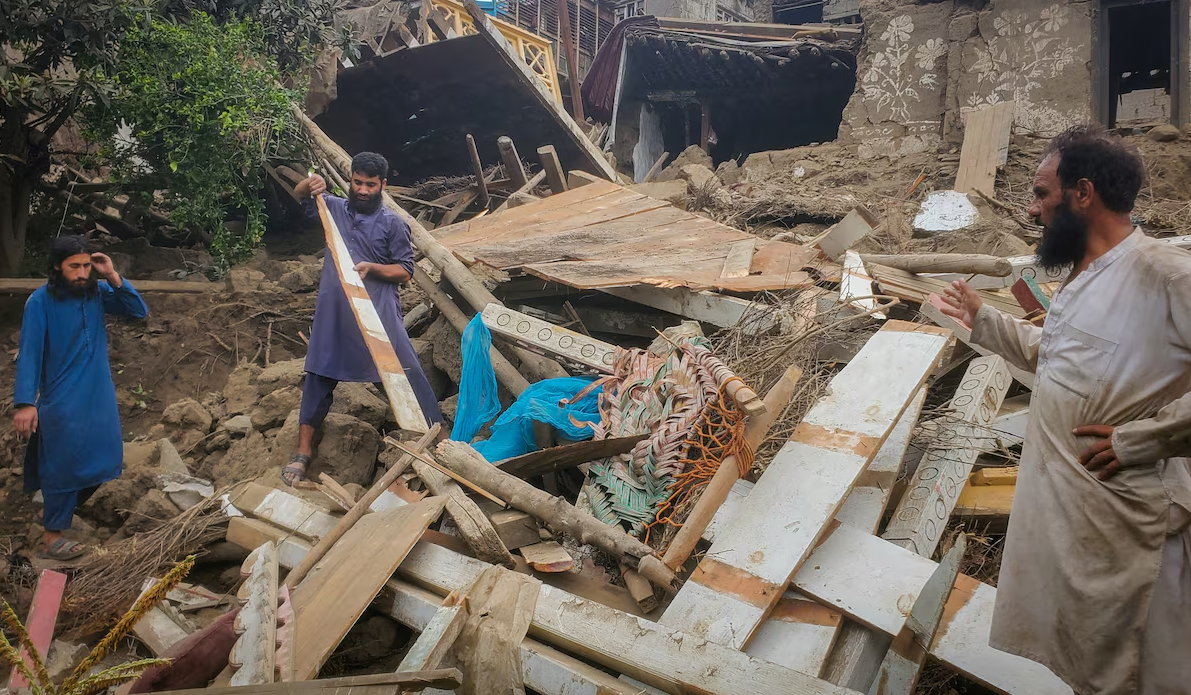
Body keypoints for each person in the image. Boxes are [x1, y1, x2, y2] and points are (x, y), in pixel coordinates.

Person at [941, 125, 1191, 695]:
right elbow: (1061, 359)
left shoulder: (1165, 274)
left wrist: (1145, 440)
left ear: (1083, 194)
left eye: (1040, 194)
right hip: (1075, 517)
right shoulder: (1084, 274)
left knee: (1138, 666)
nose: (1032, 210)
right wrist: (986, 320)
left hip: (1129, 518)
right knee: (1088, 660)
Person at [284, 152, 444, 485]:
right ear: (351, 180)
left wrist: (373, 268)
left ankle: (437, 441)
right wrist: (306, 185)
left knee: (406, 372)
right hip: (335, 310)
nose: (362, 190)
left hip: (378, 310)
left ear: (383, 185)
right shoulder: (333, 209)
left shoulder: (393, 223)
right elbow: (299, 199)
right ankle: (303, 452)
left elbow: (405, 271)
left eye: (370, 184)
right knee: (318, 372)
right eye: (357, 182)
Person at [14, 236, 149, 560]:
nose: (81, 272)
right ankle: (51, 536)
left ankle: (52, 513)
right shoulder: (40, 302)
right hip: (61, 398)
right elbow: (30, 354)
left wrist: (112, 275)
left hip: (97, 393)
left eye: (86, 265)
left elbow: (138, 311)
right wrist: (25, 403)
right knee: (63, 464)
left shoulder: (97, 293)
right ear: (57, 267)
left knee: (107, 458)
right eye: (74, 266)